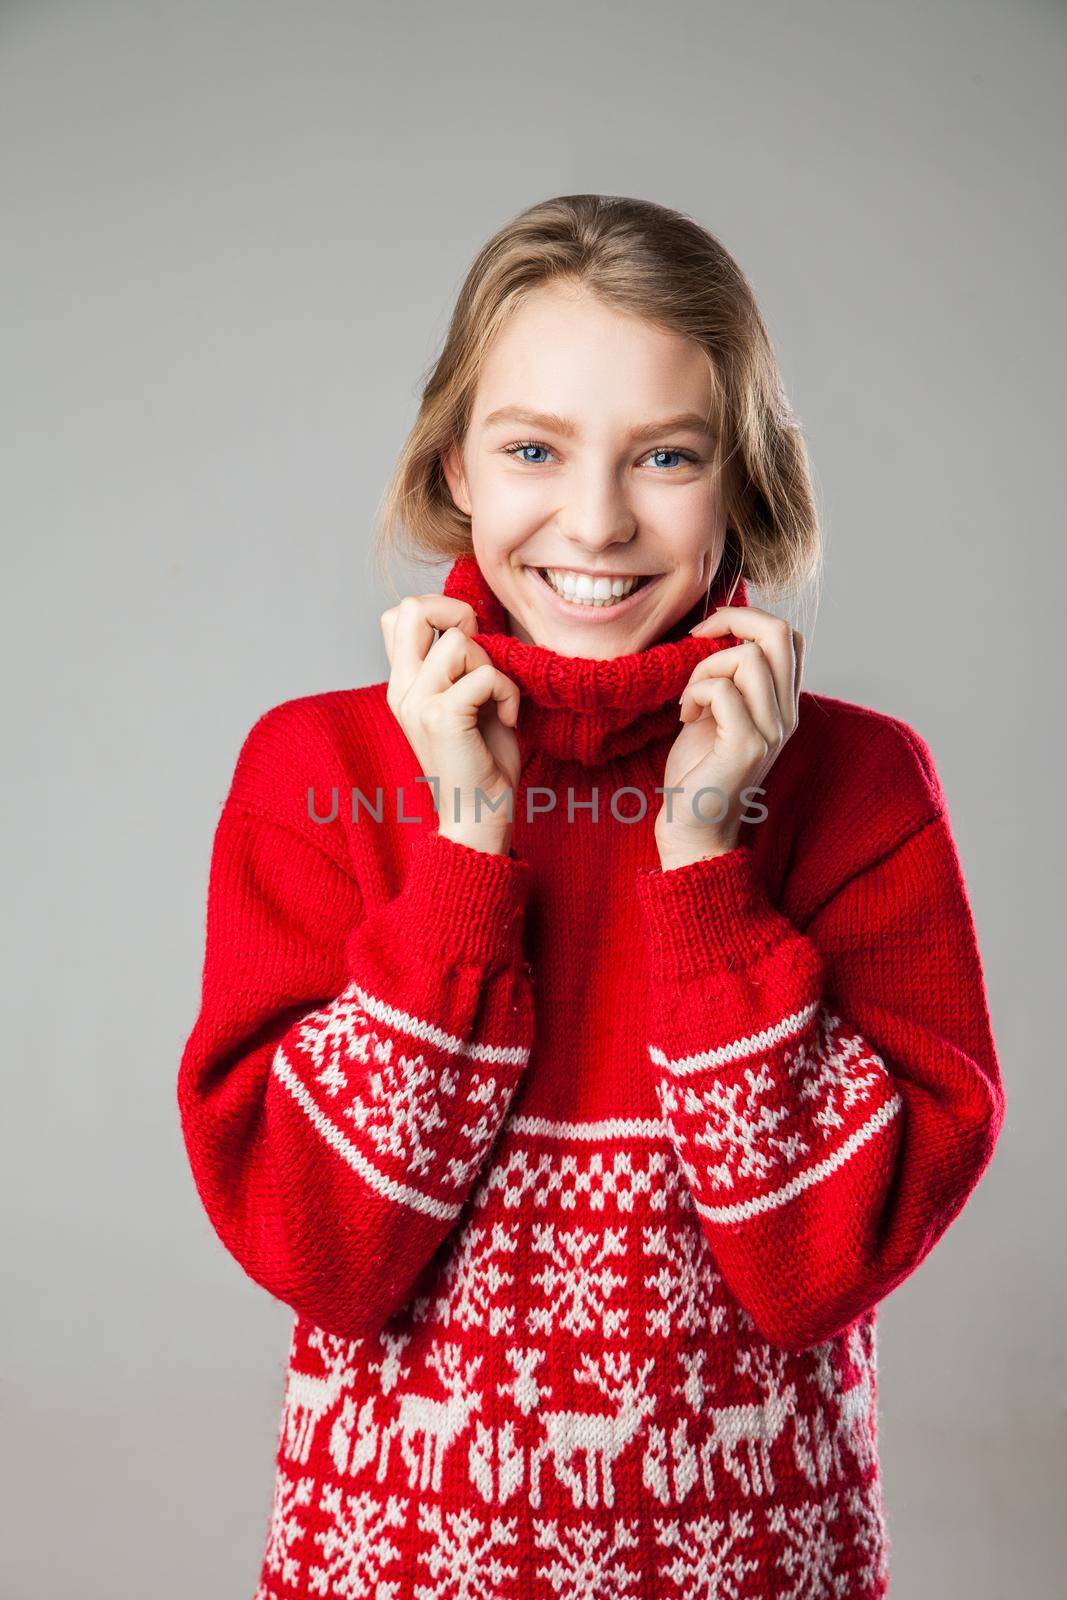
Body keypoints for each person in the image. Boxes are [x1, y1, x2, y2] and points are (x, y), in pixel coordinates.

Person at [177, 194, 1005, 1600]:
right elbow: (321, 1250)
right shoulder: (313, 769)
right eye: (534, 449)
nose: (600, 519)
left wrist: (705, 861)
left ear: (740, 476)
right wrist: (465, 849)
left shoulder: (860, 787)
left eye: (666, 455)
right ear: (459, 466)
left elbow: (814, 1269)